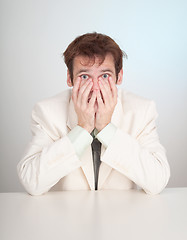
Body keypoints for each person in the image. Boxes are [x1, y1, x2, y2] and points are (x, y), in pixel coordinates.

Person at [17, 32, 170, 196]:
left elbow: (157, 180)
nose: (95, 88)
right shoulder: (47, 112)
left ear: (120, 77)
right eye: (84, 76)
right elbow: (31, 181)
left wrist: (106, 128)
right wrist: (83, 128)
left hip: (122, 217)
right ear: (70, 78)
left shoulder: (141, 111)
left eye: (105, 76)